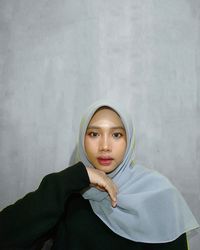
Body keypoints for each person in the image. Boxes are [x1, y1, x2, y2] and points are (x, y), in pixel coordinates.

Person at [0, 100, 199, 250]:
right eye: (94, 134)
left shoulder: (159, 195)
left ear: (129, 141)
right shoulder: (68, 194)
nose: (105, 146)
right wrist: (75, 177)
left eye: (116, 135)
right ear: (82, 138)